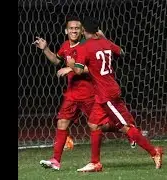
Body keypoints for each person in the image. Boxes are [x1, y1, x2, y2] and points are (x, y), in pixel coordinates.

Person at [33, 16, 135, 171]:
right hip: (72, 94)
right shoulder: (66, 45)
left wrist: (70, 68)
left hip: (90, 93)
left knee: (102, 126)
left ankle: (130, 131)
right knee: (62, 122)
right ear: (66, 31)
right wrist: (45, 48)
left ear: (82, 31)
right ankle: (55, 160)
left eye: (77, 28)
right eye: (71, 28)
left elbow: (94, 67)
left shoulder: (87, 45)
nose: (74, 30)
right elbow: (56, 60)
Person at [70, 17, 163, 172]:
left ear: (84, 31)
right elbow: (121, 51)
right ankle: (95, 163)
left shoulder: (84, 47)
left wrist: (70, 63)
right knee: (94, 125)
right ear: (97, 30)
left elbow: (78, 70)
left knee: (126, 127)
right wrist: (104, 37)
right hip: (105, 91)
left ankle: (154, 152)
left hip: (107, 94)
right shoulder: (105, 43)